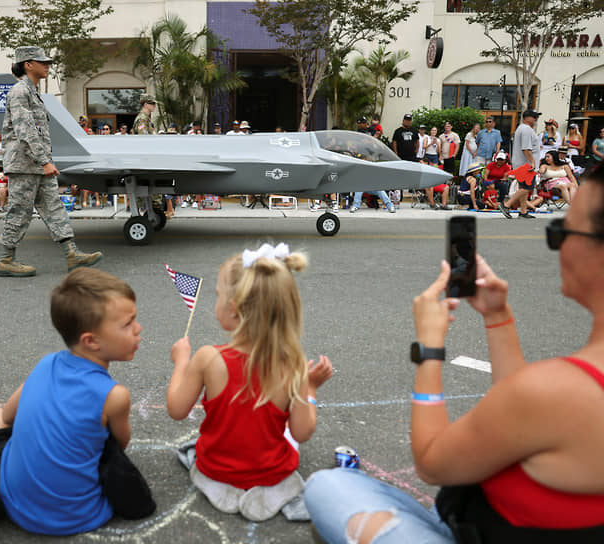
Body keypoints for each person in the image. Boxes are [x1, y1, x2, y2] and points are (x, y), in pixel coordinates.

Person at [306, 169, 604, 542]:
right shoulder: (552, 393)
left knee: (326, 486)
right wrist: (497, 316)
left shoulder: (559, 391)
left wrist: (430, 348)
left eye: (563, 231)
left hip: (480, 528)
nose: (557, 243)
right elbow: (522, 412)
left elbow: (432, 464)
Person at [0, 268, 153, 534]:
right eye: (128, 324)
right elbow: (118, 446)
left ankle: (1, 466)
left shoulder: (47, 363)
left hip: (16, 505)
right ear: (91, 341)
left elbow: (8, 418)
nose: (138, 329)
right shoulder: (115, 395)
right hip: (82, 515)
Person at [166, 244, 334, 522]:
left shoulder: (208, 358)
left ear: (233, 310)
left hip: (215, 469)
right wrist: (311, 389)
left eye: (218, 296)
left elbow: (175, 409)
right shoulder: (293, 365)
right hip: (272, 474)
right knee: (289, 437)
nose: (215, 302)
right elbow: (302, 432)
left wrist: (181, 362)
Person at [0, 46, 103, 277]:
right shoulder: (19, 92)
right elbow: (25, 130)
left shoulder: (33, 92)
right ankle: (6, 259)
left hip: (37, 164)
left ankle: (71, 254)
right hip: (25, 164)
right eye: (42, 61)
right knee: (19, 211)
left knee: (54, 208)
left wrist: (44, 162)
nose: (47, 65)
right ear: (27, 64)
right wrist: (44, 161)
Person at [502, 109, 541, 219]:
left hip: (522, 163)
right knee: (527, 188)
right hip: (526, 164)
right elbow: (526, 148)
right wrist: (533, 162)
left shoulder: (522, 129)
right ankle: (506, 205)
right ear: (527, 117)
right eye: (534, 117)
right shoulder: (526, 130)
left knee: (524, 187)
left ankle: (523, 211)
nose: (536, 119)